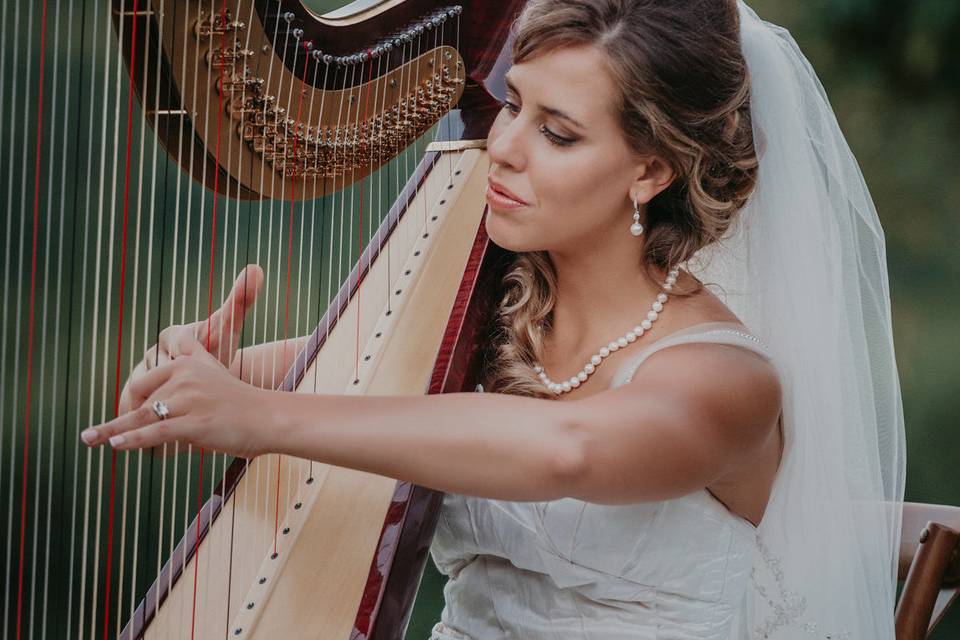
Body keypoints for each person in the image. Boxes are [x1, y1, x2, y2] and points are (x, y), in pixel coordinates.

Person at [81, 1, 906, 638]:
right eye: (511, 104)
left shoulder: (725, 380)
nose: (504, 146)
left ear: (650, 169)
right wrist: (181, 371)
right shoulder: (480, 321)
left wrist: (265, 415)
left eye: (556, 133)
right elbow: (181, 398)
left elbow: (565, 451)